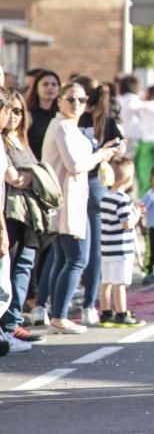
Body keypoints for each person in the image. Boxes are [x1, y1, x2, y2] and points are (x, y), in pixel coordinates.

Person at [42, 82, 124, 334]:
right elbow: (75, 164)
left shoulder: (69, 126)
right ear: (59, 101)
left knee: (66, 259)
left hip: (76, 198)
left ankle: (57, 314)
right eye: (70, 99)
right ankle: (59, 315)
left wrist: (104, 153)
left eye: (81, 100)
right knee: (77, 259)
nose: (76, 104)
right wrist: (101, 155)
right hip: (67, 200)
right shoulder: (62, 127)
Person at [2, 91, 55, 346]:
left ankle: (13, 322)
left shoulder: (22, 141)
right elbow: (15, 178)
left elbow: (28, 176)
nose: (13, 116)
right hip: (9, 214)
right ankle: (6, 325)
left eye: (18, 111)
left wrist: (33, 176)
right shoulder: (3, 143)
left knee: (24, 266)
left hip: (30, 215)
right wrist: (36, 176)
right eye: (9, 110)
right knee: (8, 268)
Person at [76, 78, 124, 327]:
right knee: (90, 247)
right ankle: (87, 304)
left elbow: (120, 147)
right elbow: (122, 147)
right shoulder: (107, 122)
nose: (76, 103)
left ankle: (55, 304)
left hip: (79, 183)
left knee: (76, 250)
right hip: (93, 185)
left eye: (79, 98)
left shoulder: (76, 120)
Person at [98, 157, 145, 327]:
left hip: (106, 247)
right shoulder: (123, 199)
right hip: (121, 249)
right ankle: (121, 313)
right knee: (120, 283)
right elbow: (126, 223)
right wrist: (137, 214)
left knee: (106, 282)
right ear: (128, 179)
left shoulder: (105, 197)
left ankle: (105, 312)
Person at [25, 70, 61, 160]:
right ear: (36, 89)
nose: (50, 87)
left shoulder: (61, 115)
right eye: (45, 84)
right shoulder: (28, 114)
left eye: (54, 84)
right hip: (35, 164)